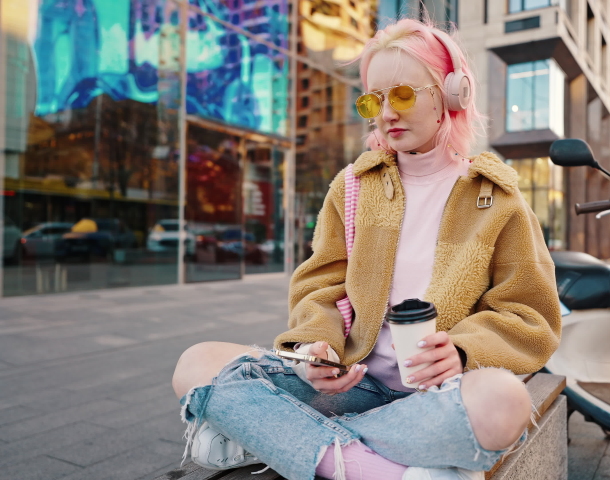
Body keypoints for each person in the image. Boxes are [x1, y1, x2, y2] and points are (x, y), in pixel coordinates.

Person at [171, 18, 561, 480]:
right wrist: (316, 349)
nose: (386, 113)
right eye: (374, 100)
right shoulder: (353, 187)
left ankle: (287, 437)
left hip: (439, 399)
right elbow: (320, 285)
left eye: (402, 95)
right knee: (195, 364)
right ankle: (381, 469)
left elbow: (530, 316)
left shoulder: (496, 196)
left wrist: (461, 350)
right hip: (353, 387)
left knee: (504, 401)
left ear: (451, 94)